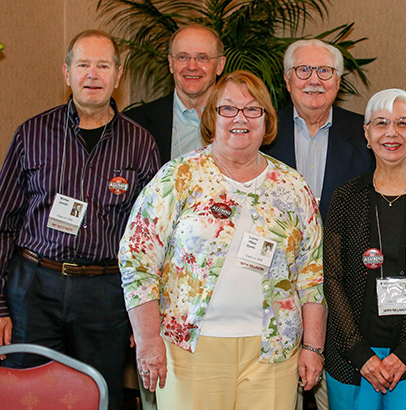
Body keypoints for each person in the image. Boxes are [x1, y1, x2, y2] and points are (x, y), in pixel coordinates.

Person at [0, 30, 160, 410]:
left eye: (103, 65)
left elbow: (152, 241)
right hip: (33, 292)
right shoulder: (32, 134)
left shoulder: (142, 145)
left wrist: (146, 316)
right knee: (28, 397)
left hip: (105, 297)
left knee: (99, 396)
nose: (93, 74)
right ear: (66, 72)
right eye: (83, 65)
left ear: (118, 75)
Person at [119, 70, 325, 409]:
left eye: (252, 109)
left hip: (273, 354)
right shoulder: (179, 177)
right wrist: (147, 338)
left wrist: (313, 348)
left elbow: (311, 275)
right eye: (228, 109)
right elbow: (137, 260)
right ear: (211, 117)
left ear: (266, 119)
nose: (240, 119)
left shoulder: (293, 187)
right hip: (190, 351)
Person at [324, 88, 406, 410]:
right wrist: (360, 354)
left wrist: (405, 354)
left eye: (402, 124)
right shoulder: (345, 198)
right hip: (353, 358)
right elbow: (332, 279)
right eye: (381, 123)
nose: (391, 133)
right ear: (366, 134)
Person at [261, 39, 372, 220]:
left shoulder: (365, 133)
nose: (314, 80)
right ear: (287, 81)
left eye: (324, 71)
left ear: (338, 82)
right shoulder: (263, 130)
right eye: (303, 70)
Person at [125, 25, 226, 162]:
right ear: (171, 64)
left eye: (202, 58)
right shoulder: (133, 125)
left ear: (220, 65)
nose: (191, 66)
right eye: (182, 57)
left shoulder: (245, 122)